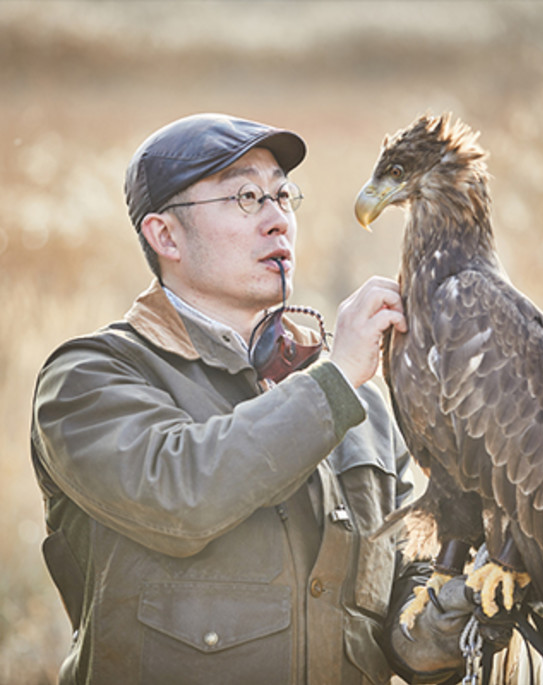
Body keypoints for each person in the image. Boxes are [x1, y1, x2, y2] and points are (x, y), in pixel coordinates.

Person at [30, 113, 478, 684]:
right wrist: (337, 379)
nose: (278, 221)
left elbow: (396, 613)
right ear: (164, 235)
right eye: (246, 197)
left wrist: (443, 619)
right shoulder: (89, 379)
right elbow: (182, 495)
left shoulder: (361, 410)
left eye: (283, 196)